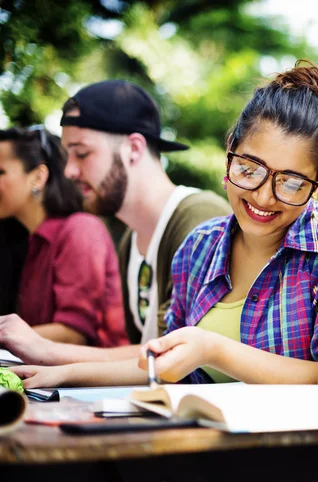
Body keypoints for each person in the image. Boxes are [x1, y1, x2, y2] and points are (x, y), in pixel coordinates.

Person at [13, 62, 318, 482]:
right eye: (249, 169)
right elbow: (172, 363)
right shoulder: (198, 249)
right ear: (229, 152)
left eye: (292, 182)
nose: (263, 196)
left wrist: (215, 349)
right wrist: (61, 372)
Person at [0, 80, 231, 364]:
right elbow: (144, 354)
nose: (69, 170)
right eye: (67, 155)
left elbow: (176, 355)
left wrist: (46, 352)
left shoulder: (199, 218)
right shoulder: (130, 243)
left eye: (82, 153)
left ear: (134, 148)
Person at [0, 127, 128, 347]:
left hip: (103, 379)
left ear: (38, 177)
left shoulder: (81, 230)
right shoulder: (32, 241)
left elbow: (73, 332)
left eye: (0, 172)